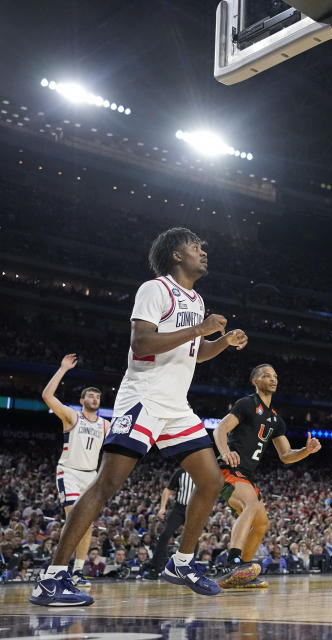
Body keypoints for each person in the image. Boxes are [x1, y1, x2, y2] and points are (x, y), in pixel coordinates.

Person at [30, 227, 248, 606]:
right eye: (195, 246)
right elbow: (141, 342)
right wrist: (199, 328)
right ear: (176, 255)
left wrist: (221, 343)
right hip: (143, 398)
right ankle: (52, 578)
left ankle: (181, 562)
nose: (203, 250)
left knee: (211, 481)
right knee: (107, 485)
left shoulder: (196, 299)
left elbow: (193, 353)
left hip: (176, 407)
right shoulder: (156, 289)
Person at [212, 364, 321, 589]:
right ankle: (232, 563)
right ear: (255, 381)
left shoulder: (275, 419)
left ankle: (243, 573)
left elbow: (286, 455)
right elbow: (220, 429)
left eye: (275, 376)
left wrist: (305, 451)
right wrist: (225, 452)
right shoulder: (246, 403)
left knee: (262, 524)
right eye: (266, 375)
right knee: (250, 505)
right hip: (229, 469)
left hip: (247, 475)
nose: (272, 379)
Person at [40, 354, 110, 589]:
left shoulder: (105, 425)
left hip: (91, 475)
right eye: (90, 395)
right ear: (82, 400)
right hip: (69, 472)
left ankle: (77, 571)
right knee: (75, 519)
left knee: (87, 523)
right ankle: (57, 569)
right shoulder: (72, 416)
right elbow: (47, 396)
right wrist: (62, 369)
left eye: (98, 396)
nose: (95, 398)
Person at [149, 468, 197, 578]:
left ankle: (192, 569)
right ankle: (155, 568)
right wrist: (162, 508)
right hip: (179, 509)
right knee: (165, 535)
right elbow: (168, 490)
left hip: (195, 510)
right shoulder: (181, 472)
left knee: (193, 539)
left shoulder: (204, 472)